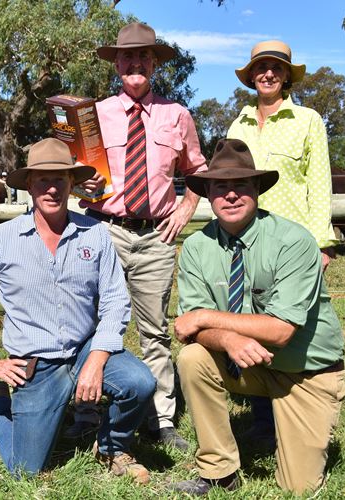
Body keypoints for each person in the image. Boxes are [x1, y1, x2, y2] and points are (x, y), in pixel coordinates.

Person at [0, 138, 156, 482]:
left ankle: (111, 447)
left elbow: (115, 300)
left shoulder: (95, 235)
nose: (51, 188)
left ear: (72, 184)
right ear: (29, 185)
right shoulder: (2, 238)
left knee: (140, 382)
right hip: (36, 362)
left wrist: (97, 358)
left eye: (59, 179)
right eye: (42, 180)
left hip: (83, 349)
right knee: (24, 470)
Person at [169, 138, 345, 495]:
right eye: (221, 187)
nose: (230, 195)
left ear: (257, 190)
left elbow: (280, 331)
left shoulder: (293, 241)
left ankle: (296, 429)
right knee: (193, 358)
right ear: (208, 194)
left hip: (305, 373)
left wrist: (205, 315)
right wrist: (228, 338)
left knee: (298, 487)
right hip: (254, 366)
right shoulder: (197, 247)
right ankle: (219, 472)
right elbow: (190, 330)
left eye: (241, 185)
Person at [74, 21, 207, 450]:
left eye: (143, 57)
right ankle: (88, 410)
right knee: (92, 323)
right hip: (104, 231)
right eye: (127, 57)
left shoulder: (177, 115)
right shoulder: (92, 116)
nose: (135, 63)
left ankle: (161, 419)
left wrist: (185, 208)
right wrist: (81, 186)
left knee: (154, 329)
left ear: (154, 63)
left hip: (155, 239)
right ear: (117, 64)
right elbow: (74, 176)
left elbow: (199, 173)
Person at [226, 40, 339, 444]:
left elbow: (319, 183)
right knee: (252, 318)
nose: (268, 73)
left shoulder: (308, 120)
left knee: (294, 325)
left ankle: (300, 407)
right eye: (261, 67)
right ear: (252, 75)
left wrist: (320, 244)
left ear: (287, 74)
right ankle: (262, 418)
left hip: (295, 245)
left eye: (276, 67)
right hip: (248, 239)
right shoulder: (237, 123)